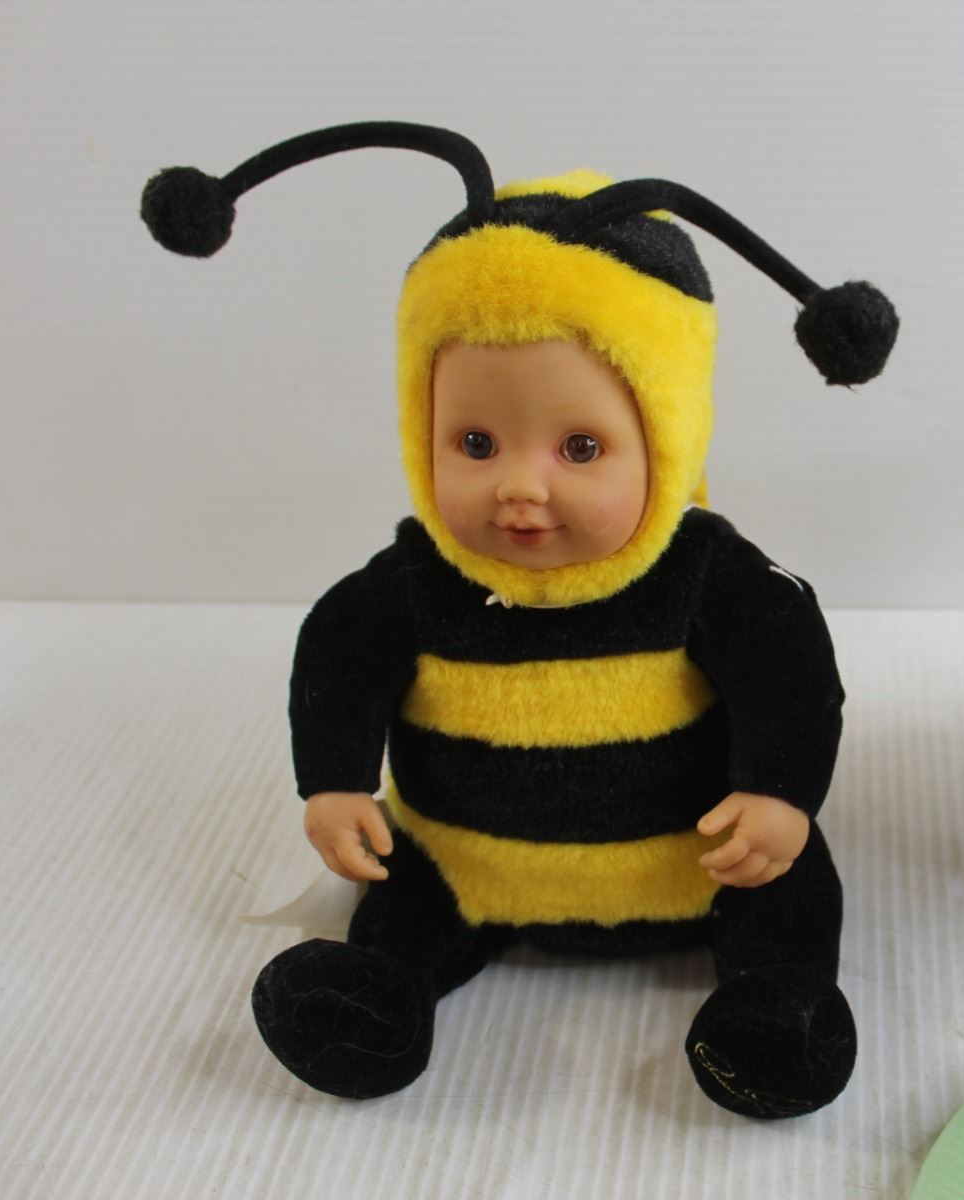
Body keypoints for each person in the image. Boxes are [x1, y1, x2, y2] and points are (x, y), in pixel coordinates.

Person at [140, 122, 898, 1116]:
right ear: (421, 429)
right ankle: (378, 995)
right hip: (471, 863)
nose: (521, 488)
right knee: (407, 889)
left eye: (580, 447)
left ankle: (774, 1008)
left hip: (696, 863)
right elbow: (338, 658)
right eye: (475, 442)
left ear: (667, 438)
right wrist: (334, 782)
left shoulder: (710, 578)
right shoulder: (414, 584)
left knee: (786, 883)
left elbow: (790, 679)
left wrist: (779, 796)